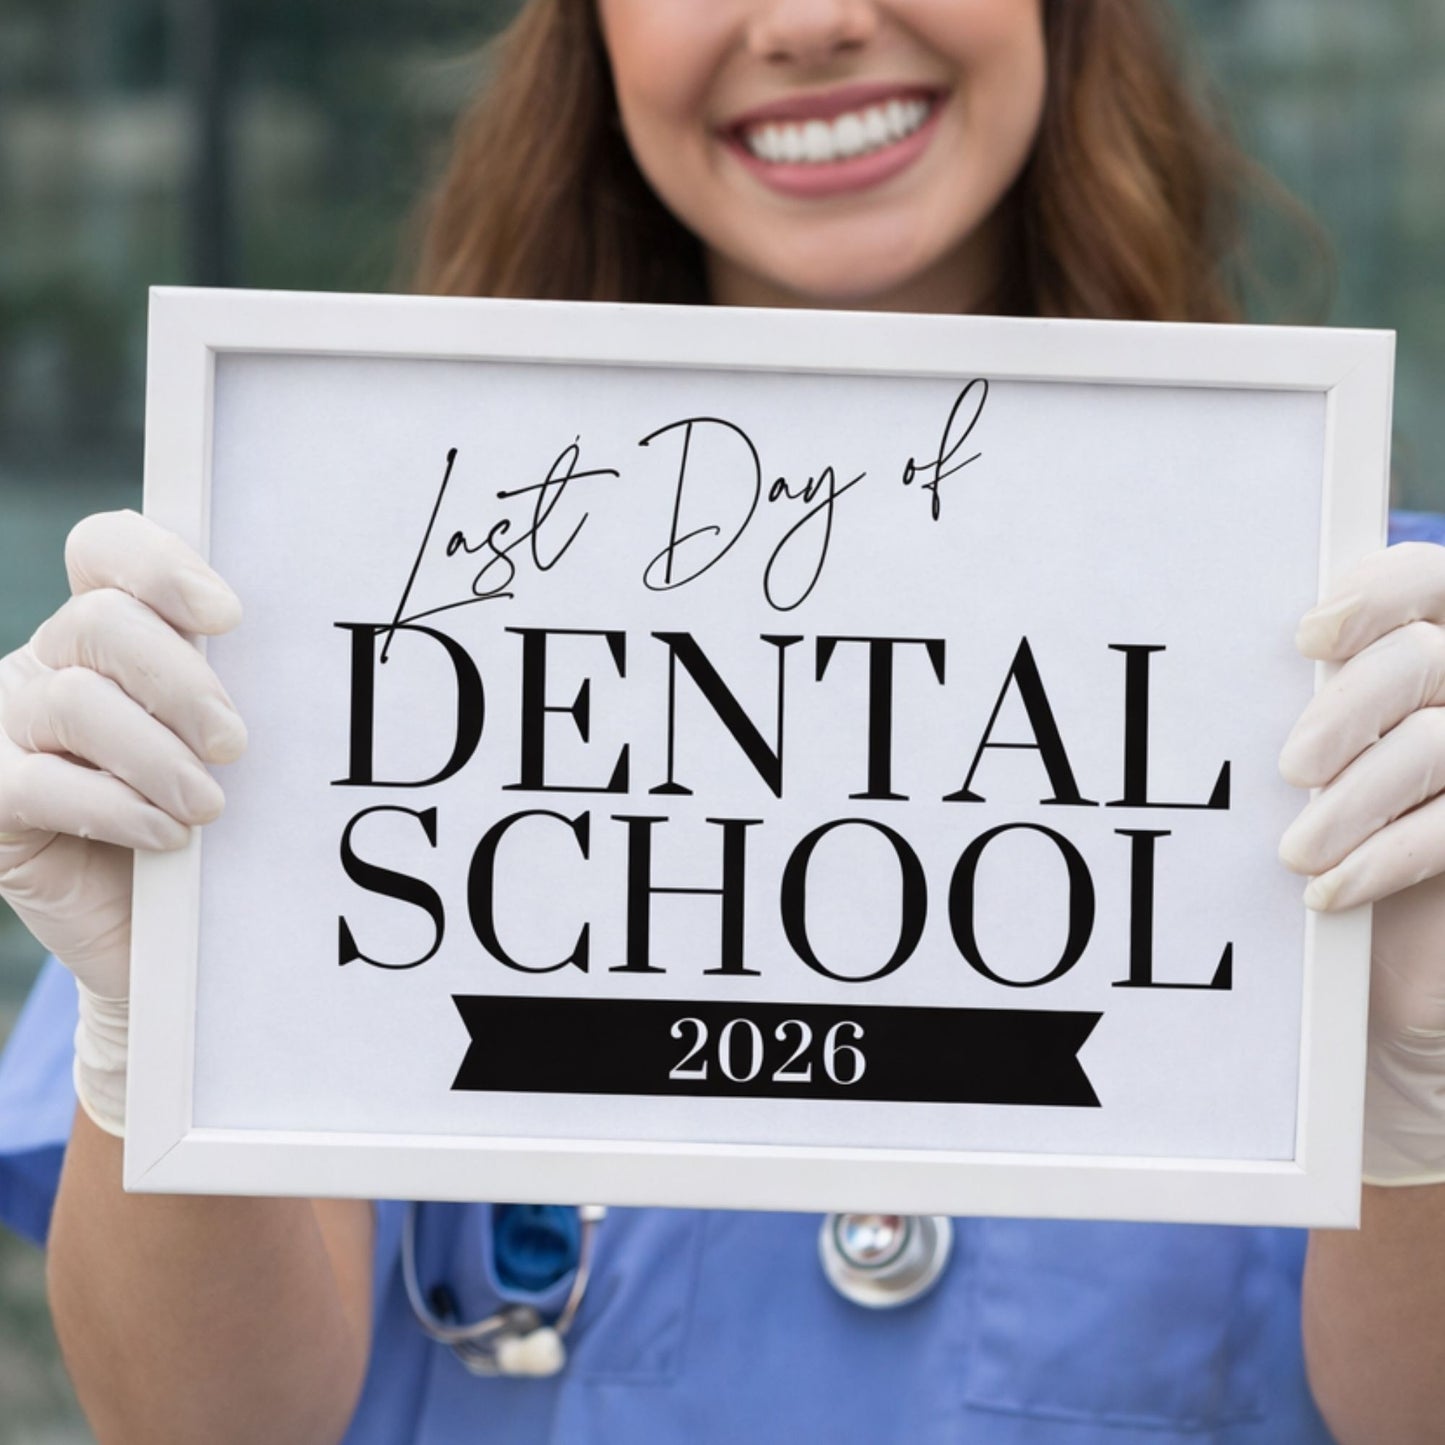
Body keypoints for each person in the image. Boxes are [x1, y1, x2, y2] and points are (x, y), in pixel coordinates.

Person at [2, 1, 1445, 1440]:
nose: (812, 22)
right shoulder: (316, 609)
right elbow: (206, 1426)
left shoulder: (1381, 692)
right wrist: (158, 1018)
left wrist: (1424, 1098)